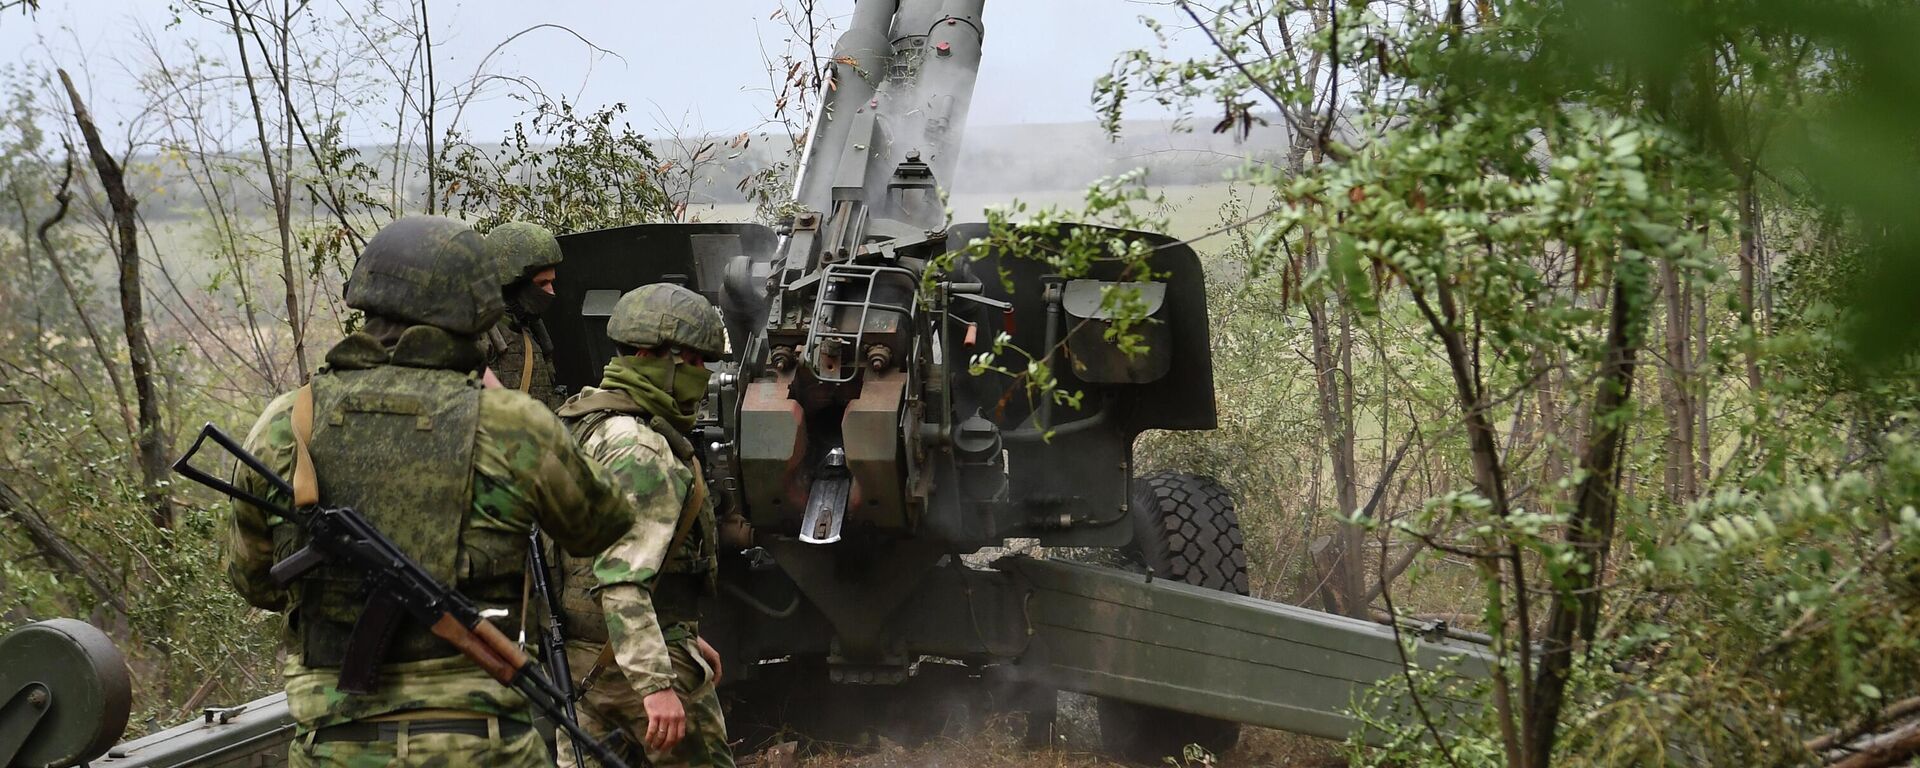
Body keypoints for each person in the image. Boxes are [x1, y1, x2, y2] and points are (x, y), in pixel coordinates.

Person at [221, 215, 635, 768]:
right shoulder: (509, 426)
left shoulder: (286, 422)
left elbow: (255, 581)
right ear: (475, 313)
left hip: (335, 744)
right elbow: (603, 524)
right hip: (483, 742)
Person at [552, 282, 735, 768]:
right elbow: (623, 580)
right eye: (697, 363)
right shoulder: (641, 448)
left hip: (577, 662)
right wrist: (657, 684)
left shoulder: (580, 421)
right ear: (658, 357)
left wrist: (680, 632)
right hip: (634, 671)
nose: (704, 376)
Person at [484, 221, 565, 406]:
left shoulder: (530, 330)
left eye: (552, 282)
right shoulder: (481, 338)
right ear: (512, 284)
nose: (551, 291)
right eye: (542, 283)